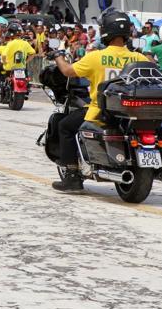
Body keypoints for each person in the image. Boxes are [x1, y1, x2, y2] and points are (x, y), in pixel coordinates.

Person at [49, 10, 149, 193]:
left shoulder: (96, 57)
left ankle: (72, 177)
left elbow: (68, 71)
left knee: (64, 126)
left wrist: (58, 56)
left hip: (100, 113)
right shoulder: (138, 58)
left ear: (105, 31)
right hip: (130, 114)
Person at [0, 21, 36, 95]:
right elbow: (33, 53)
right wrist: (26, 61)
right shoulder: (25, 43)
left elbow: (4, 55)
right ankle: (27, 87)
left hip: (9, 67)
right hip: (21, 67)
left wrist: (4, 63)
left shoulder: (10, 44)